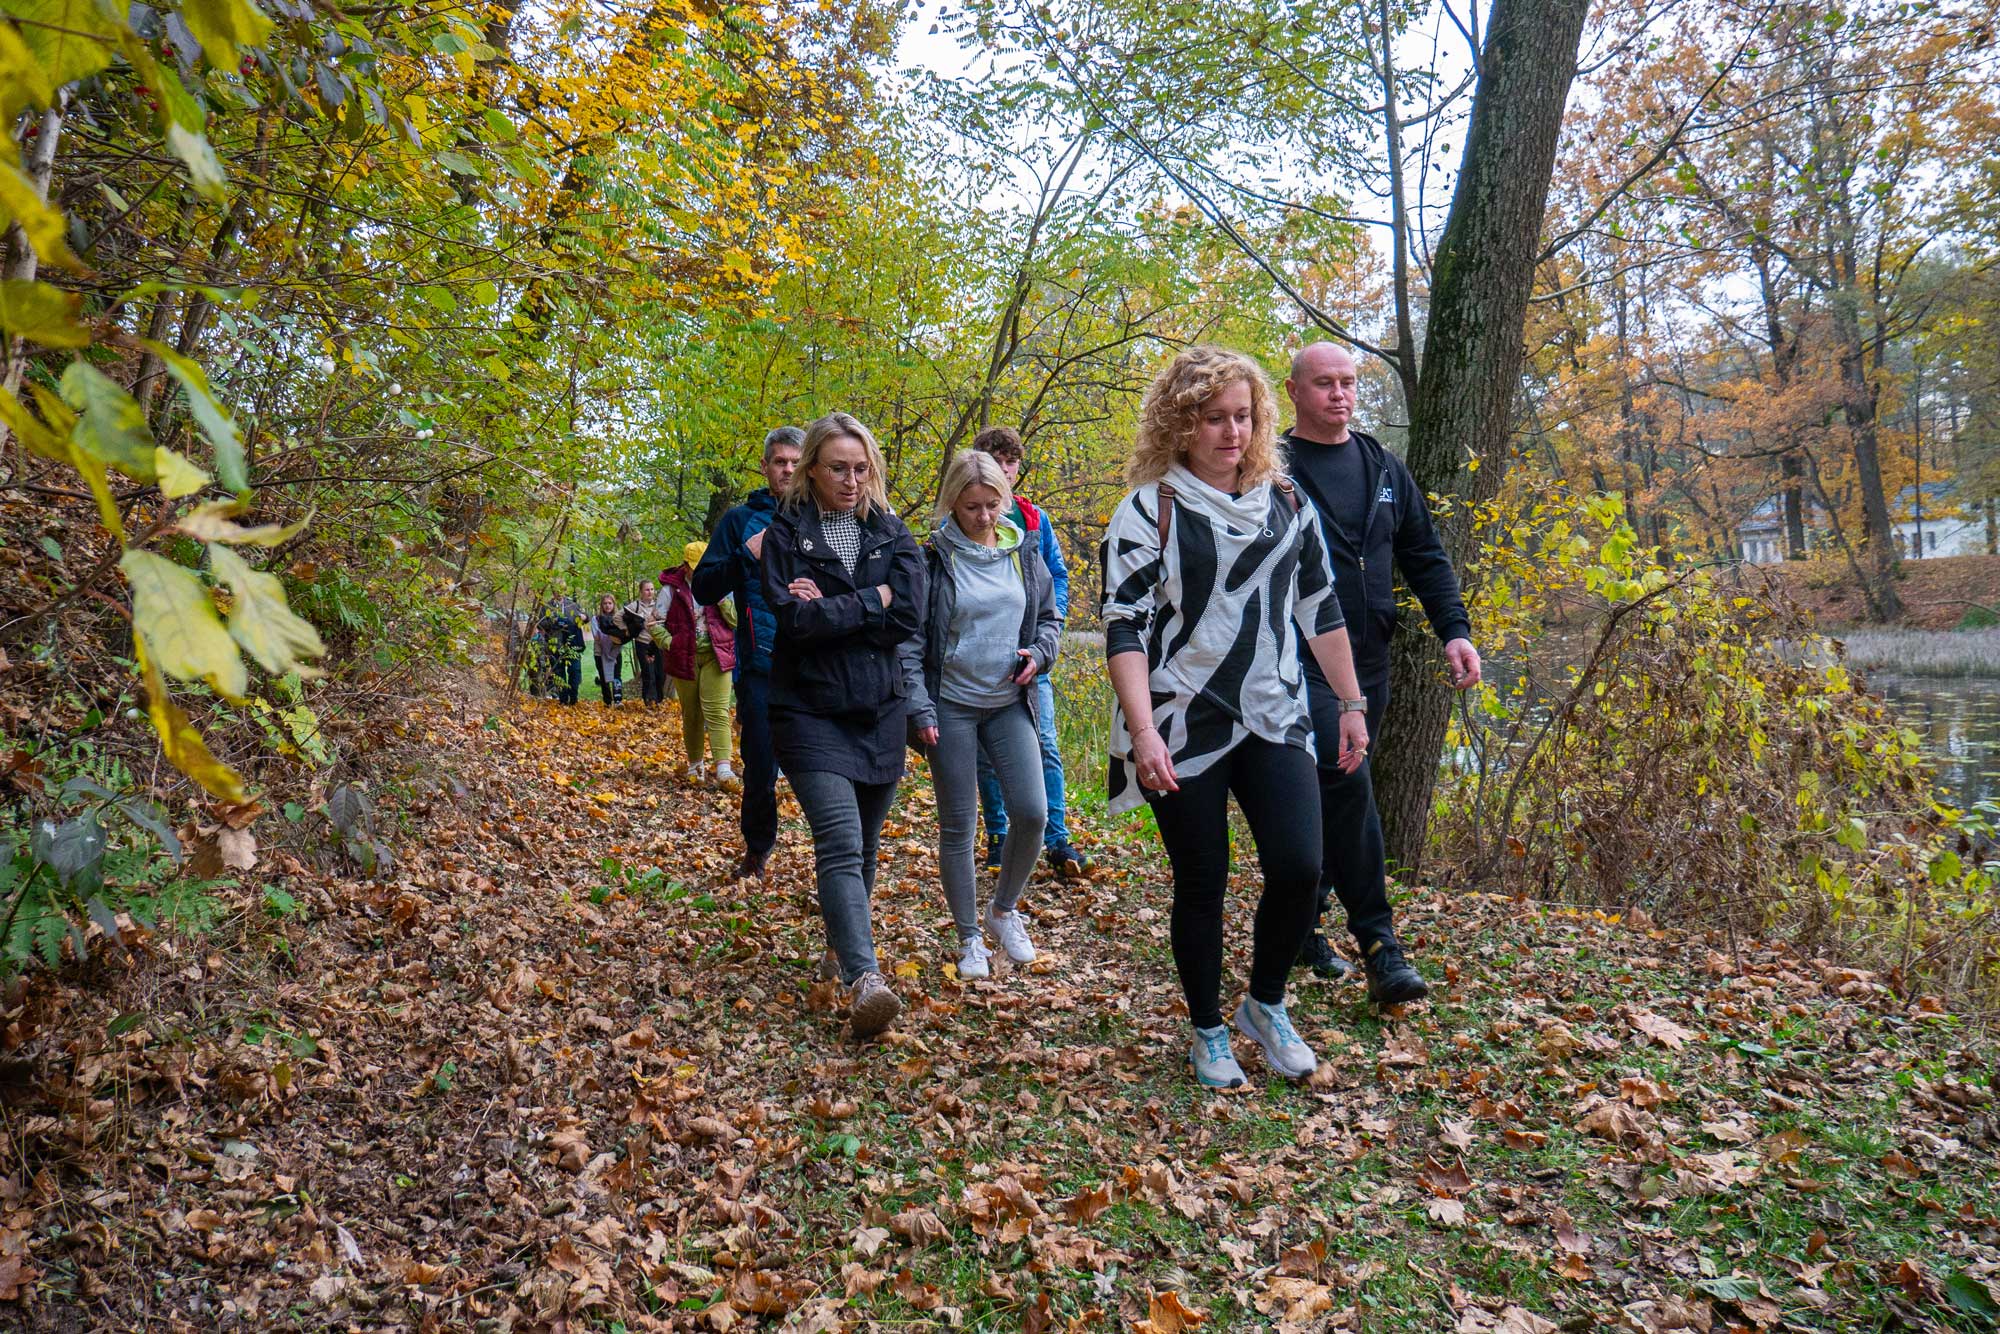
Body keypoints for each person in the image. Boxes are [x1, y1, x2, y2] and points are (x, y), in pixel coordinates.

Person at [1100, 346, 1370, 1090]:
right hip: (1179, 720)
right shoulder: (1148, 509)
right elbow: (1123, 627)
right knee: (1203, 879)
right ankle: (1208, 1030)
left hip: (1274, 710)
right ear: (1180, 423)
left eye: (1244, 417)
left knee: (1300, 866)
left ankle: (1265, 1004)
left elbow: (1320, 606)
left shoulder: (1285, 499)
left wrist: (1350, 703)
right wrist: (1143, 732)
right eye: (1213, 418)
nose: (1232, 433)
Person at [1281, 341, 1482, 1004]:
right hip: (1297, 660)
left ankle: (1304, 925)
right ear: (1294, 392)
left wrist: (1455, 631)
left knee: (1331, 794)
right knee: (1347, 781)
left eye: (1347, 382)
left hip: (1370, 658)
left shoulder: (1382, 466)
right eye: (1324, 383)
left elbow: (1424, 554)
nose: (1339, 393)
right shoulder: (1272, 469)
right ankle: (1380, 946)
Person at [763, 411, 925, 1040]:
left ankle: (840, 946)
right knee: (839, 838)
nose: (851, 480)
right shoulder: (785, 534)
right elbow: (795, 624)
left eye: (861, 468)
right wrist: (871, 600)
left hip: (879, 708)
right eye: (838, 468)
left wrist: (836, 607)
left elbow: (908, 615)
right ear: (812, 470)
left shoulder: (891, 532)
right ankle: (866, 980)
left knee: (865, 846)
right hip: (807, 708)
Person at [901, 449, 1061, 979]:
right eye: (972, 507)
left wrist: (1040, 654)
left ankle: (1003, 910)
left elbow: (1049, 619)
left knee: (1033, 813)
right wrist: (919, 706)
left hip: (1008, 702)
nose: (984, 517)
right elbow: (910, 642)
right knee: (959, 825)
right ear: (953, 503)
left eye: (993, 505)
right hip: (950, 707)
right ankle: (969, 936)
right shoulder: (932, 559)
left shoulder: (1024, 551)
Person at [968, 427, 1092, 880]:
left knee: (1046, 745)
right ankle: (999, 835)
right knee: (987, 754)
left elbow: (1057, 576)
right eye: (994, 460)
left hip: (1032, 653)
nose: (1003, 470)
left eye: (1010, 461)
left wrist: (1051, 628)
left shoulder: (1033, 519)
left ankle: (1057, 839)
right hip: (981, 656)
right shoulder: (962, 520)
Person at [694, 427, 803, 879]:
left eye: (796, 462)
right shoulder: (740, 520)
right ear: (765, 466)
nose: (788, 470)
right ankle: (757, 850)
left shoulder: (828, 516)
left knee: (824, 765)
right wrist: (745, 555)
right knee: (759, 764)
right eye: (780, 462)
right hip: (762, 664)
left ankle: (837, 860)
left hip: (820, 663)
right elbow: (703, 587)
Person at [659, 544, 738, 784]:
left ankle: (724, 768)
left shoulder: (722, 584)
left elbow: (735, 621)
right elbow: (653, 623)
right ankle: (695, 765)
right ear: (685, 566)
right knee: (692, 713)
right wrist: (671, 643)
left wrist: (722, 599)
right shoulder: (671, 589)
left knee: (717, 711)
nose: (700, 571)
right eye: (695, 567)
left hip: (717, 655)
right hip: (685, 657)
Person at [623, 579, 668, 706]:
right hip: (642, 643)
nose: (650, 592)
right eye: (647, 590)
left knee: (660, 673)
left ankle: (658, 700)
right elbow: (617, 618)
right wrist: (627, 631)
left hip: (658, 643)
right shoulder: (635, 606)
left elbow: (667, 620)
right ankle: (648, 701)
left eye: (652, 589)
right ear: (641, 592)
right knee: (648, 673)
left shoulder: (659, 605)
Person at [541, 594, 585, 705]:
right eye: (556, 589)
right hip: (555, 644)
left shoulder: (572, 604)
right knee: (559, 673)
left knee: (575, 671)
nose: (559, 592)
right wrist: (554, 621)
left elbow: (585, 616)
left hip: (573, 643)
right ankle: (563, 700)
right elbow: (540, 624)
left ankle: (573, 697)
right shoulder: (547, 606)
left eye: (561, 589)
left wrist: (584, 617)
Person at [590, 594, 630, 706]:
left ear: (613, 604)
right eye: (605, 603)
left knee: (617, 675)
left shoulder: (619, 619)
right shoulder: (596, 619)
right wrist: (612, 635)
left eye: (610, 603)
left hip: (615, 651)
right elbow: (597, 637)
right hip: (600, 651)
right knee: (603, 677)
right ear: (601, 605)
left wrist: (613, 635)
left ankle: (618, 700)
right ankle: (607, 702)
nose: (607, 606)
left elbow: (623, 635)